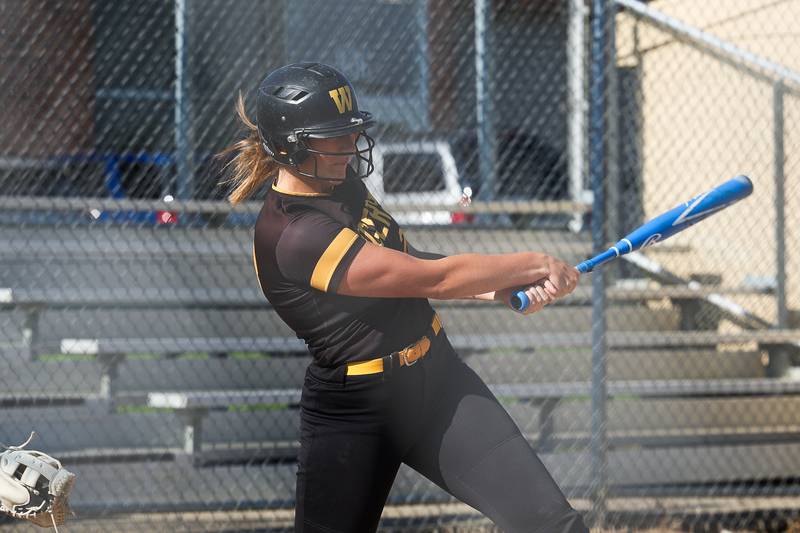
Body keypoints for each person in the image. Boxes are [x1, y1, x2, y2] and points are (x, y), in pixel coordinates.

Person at [221, 62, 587, 533]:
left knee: (551, 524)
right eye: (330, 137)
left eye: (350, 132)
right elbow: (426, 278)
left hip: (438, 383)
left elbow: (405, 259)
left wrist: (498, 288)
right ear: (289, 147)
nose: (349, 147)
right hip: (356, 411)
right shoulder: (294, 234)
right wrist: (532, 263)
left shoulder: (337, 180)